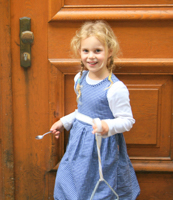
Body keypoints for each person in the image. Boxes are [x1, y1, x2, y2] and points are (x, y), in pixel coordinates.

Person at [50, 21, 140, 200]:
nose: (91, 56)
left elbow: (127, 120)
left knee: (99, 186)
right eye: (86, 51)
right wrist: (64, 122)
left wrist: (107, 125)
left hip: (102, 148)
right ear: (79, 51)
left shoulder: (115, 88)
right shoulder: (80, 78)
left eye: (97, 51)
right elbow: (82, 111)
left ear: (110, 51)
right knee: (73, 182)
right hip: (78, 146)